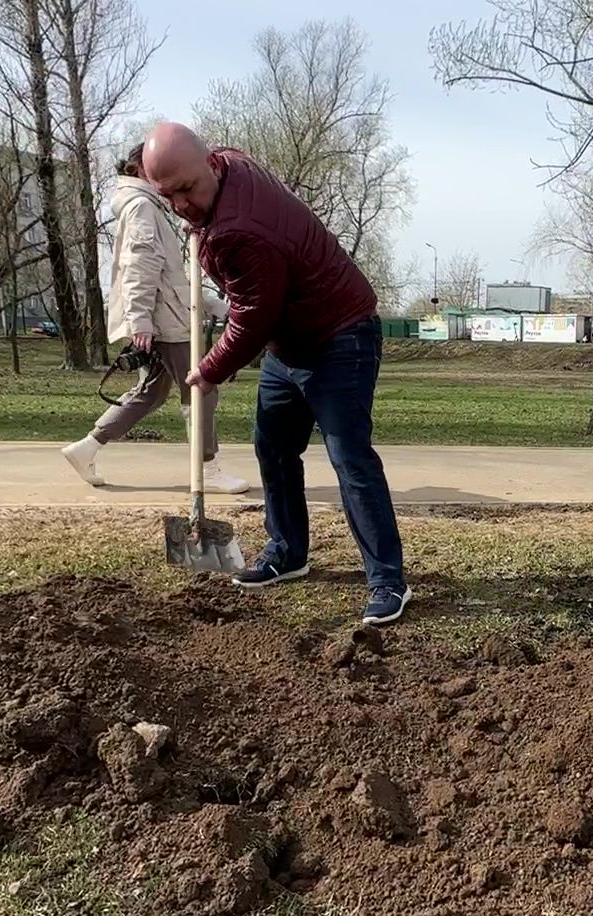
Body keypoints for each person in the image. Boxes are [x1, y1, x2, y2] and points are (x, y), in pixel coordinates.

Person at [142, 121, 410, 626]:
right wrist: (198, 223)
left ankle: (388, 581)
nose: (180, 204)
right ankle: (288, 552)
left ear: (208, 165)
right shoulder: (229, 163)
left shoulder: (239, 230)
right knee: (274, 448)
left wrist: (209, 369)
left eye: (187, 190)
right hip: (290, 343)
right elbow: (260, 310)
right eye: (168, 194)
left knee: (349, 458)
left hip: (339, 334)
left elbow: (254, 314)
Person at [60, 145, 249, 493]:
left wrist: (211, 304)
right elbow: (139, 267)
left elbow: (167, 276)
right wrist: (141, 321)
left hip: (163, 315)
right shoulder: (143, 207)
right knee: (202, 388)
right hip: (166, 321)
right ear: (138, 170)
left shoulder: (143, 206)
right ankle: (208, 467)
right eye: (156, 169)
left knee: (151, 392)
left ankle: (86, 448)